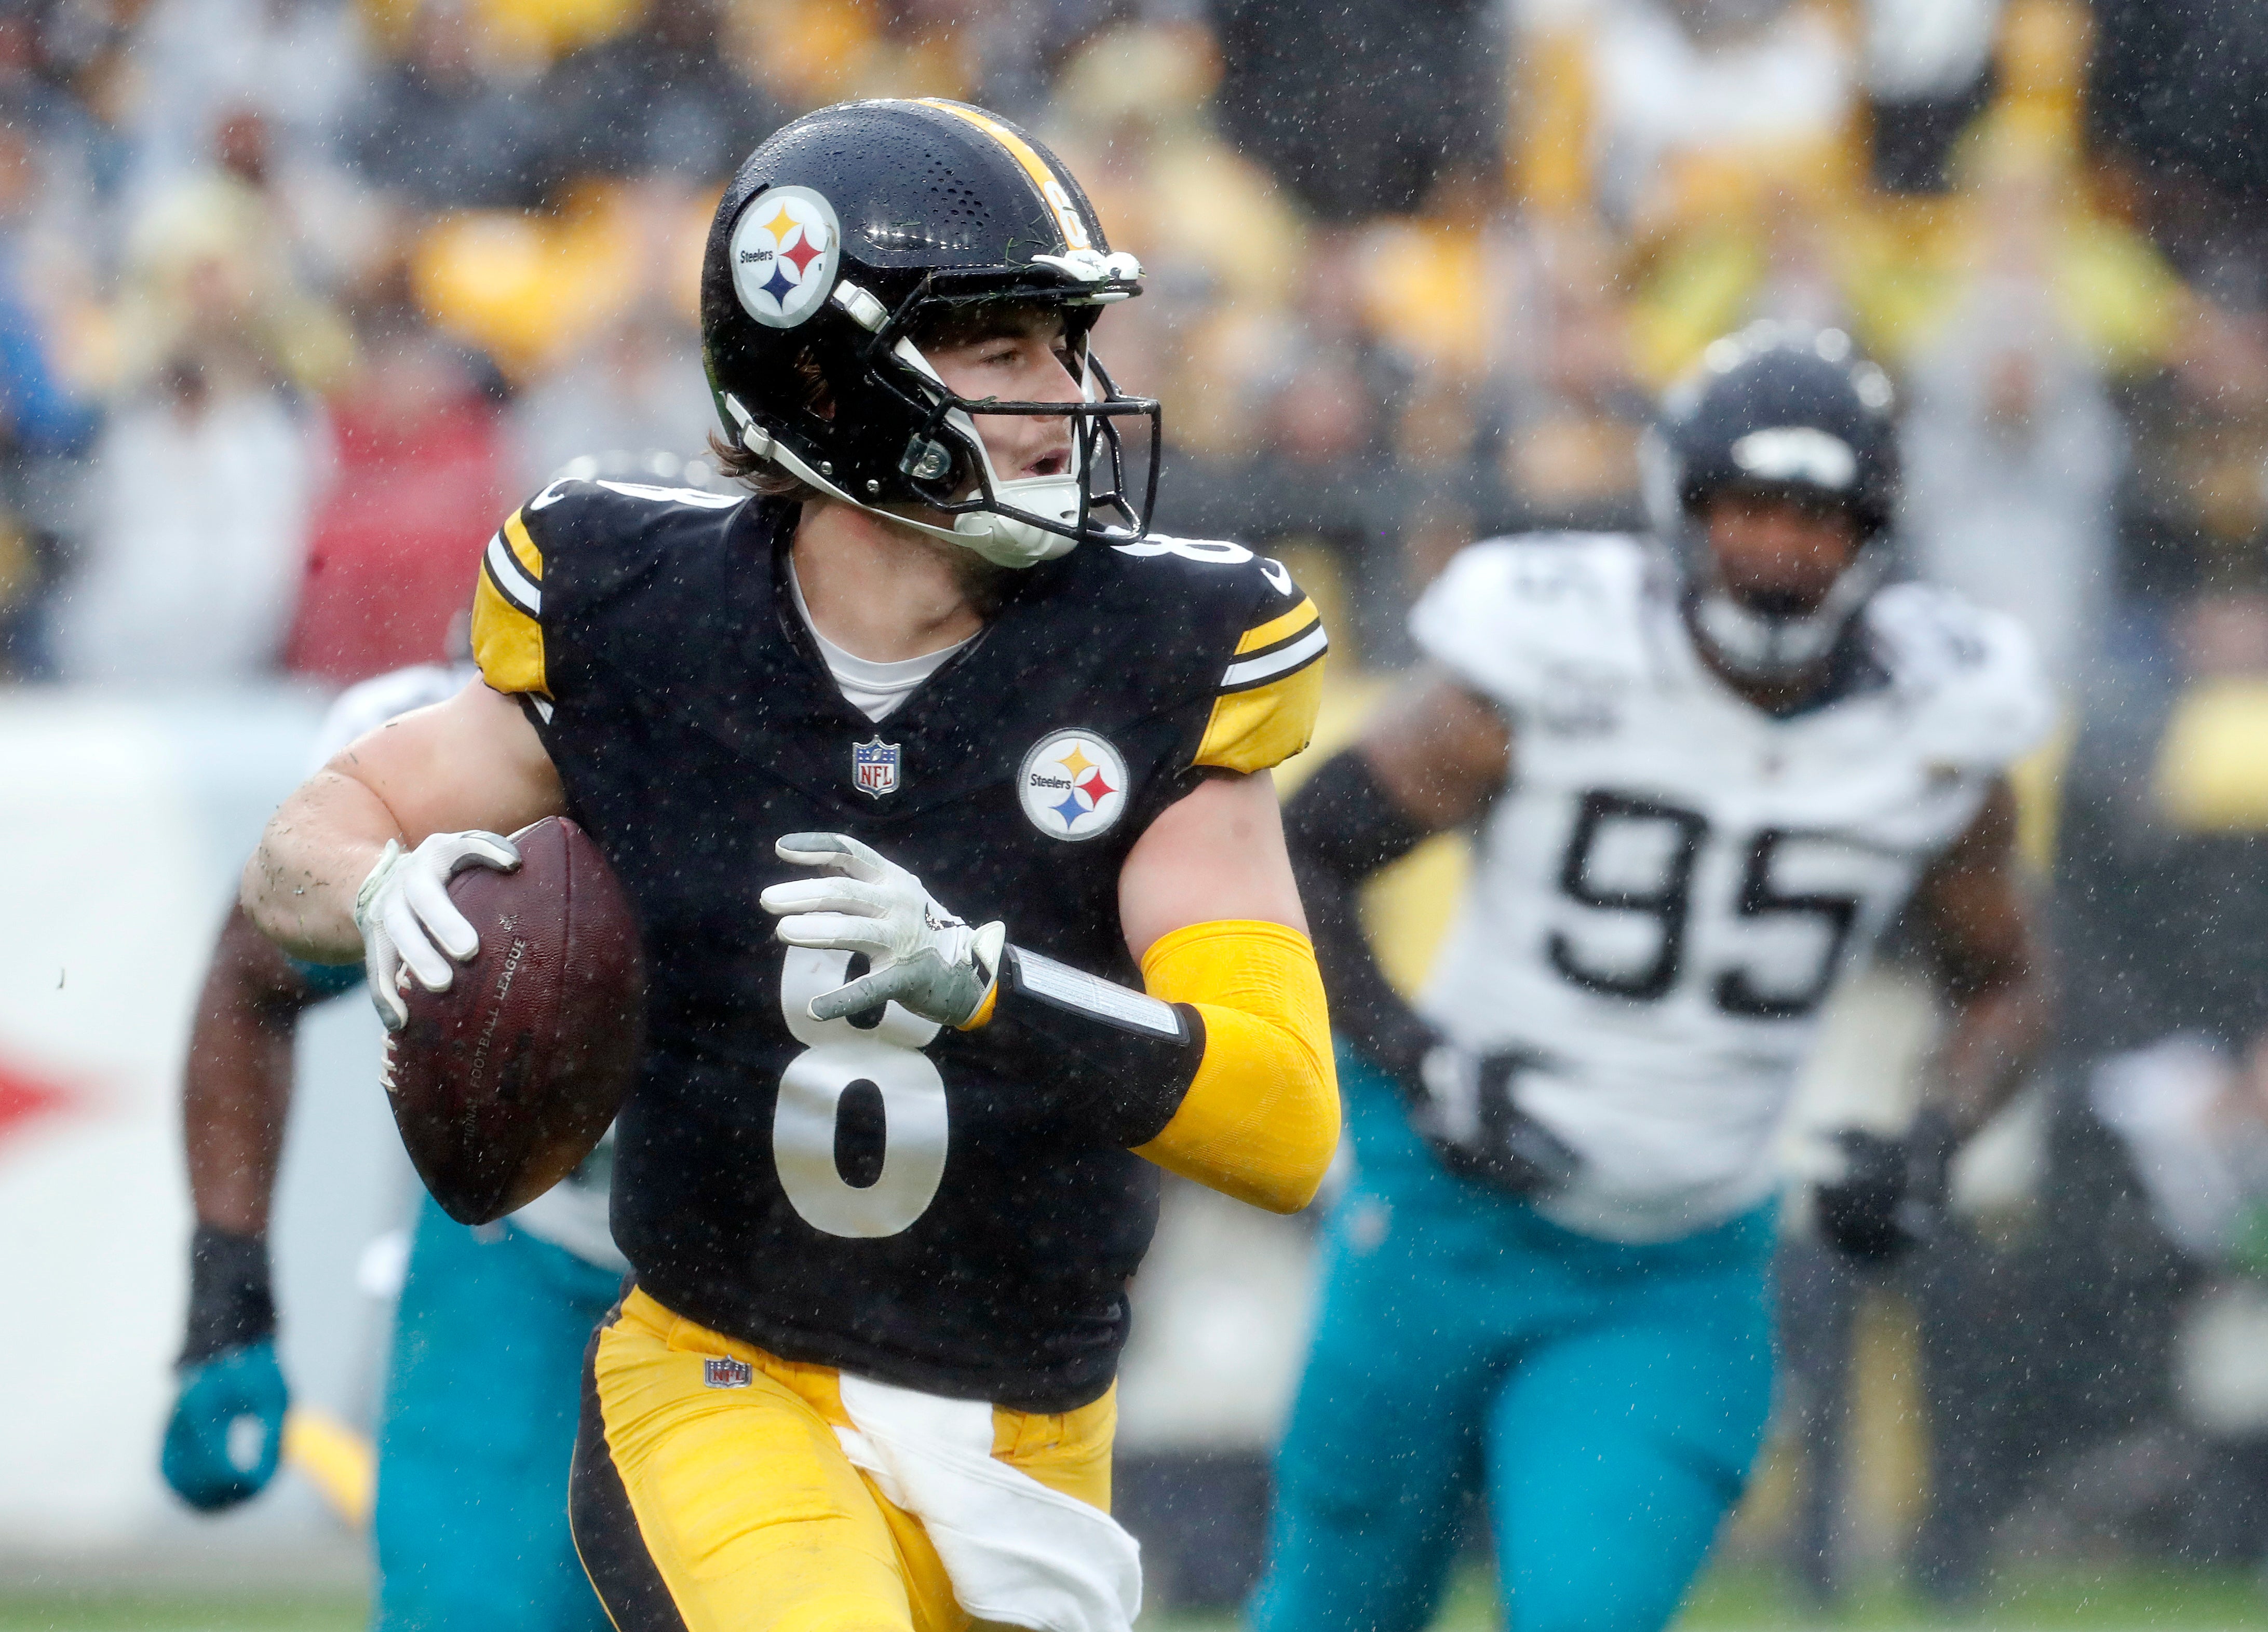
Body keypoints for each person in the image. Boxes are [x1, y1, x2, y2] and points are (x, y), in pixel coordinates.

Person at [239, 99, 1340, 1632]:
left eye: (1069, 346)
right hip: (725, 1370)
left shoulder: (1160, 648)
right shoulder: (640, 607)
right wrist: (372, 892)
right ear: (821, 372)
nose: (1064, 399)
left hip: (1032, 1425)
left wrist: (989, 991)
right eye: (1003, 349)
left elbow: (1285, 1120)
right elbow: (307, 839)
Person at [1250, 324, 2054, 1632]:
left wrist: (1933, 1139)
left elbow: (2007, 984)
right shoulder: (1556, 651)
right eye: (1748, 508)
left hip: (1672, 1268)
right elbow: (1306, 854)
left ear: (1878, 531)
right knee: (1333, 1611)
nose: (1780, 550)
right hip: (1439, 1211)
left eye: (1818, 517)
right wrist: (1415, 1057)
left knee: (1589, 1614)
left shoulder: (1939, 723)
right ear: (1681, 506)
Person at [161, 655, 623, 1632]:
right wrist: (226, 1287)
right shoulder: (426, 745)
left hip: (798, 1278)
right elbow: (252, 985)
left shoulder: (856, 733)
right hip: (532, 1248)